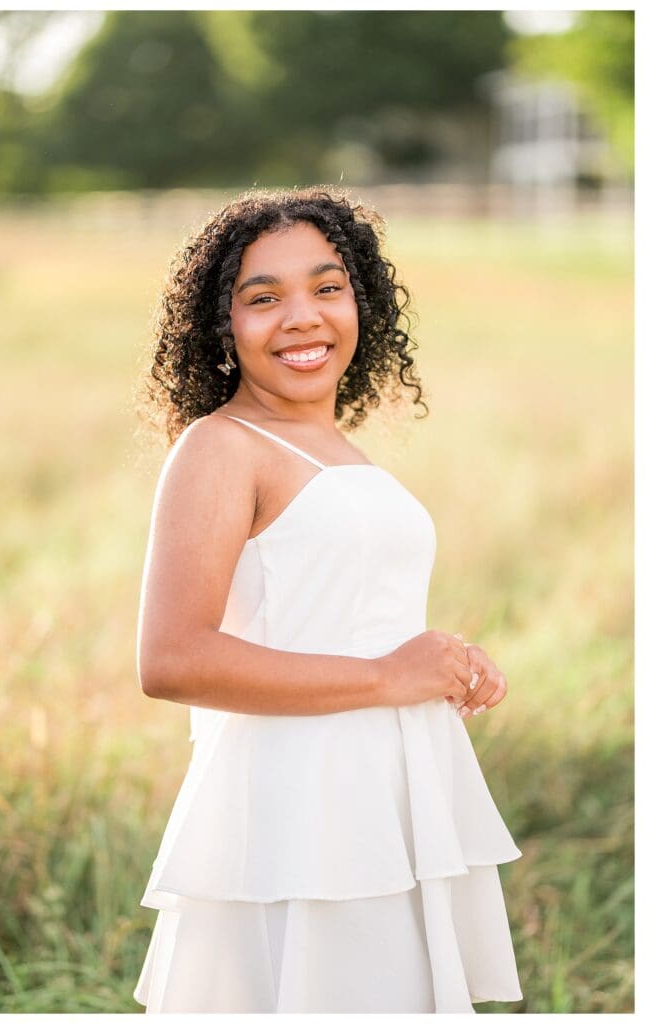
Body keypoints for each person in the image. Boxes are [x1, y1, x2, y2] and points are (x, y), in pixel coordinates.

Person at [132, 186, 523, 1013]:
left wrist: (441, 661)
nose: (302, 317)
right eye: (263, 298)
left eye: (327, 287)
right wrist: (388, 676)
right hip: (300, 809)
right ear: (222, 326)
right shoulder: (222, 447)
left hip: (386, 793)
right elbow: (172, 659)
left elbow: (345, 611)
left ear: (362, 303)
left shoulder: (334, 447)